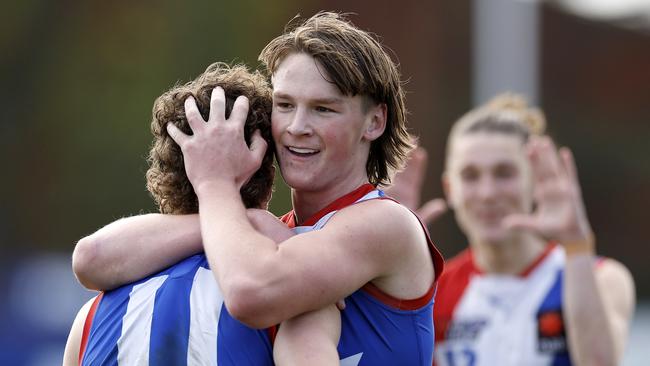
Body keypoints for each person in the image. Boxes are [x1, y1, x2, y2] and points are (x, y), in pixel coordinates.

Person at [71, 12, 444, 365]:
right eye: (284, 104)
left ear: (375, 121)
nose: (297, 126)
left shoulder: (384, 222)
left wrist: (216, 184)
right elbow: (90, 259)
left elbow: (250, 290)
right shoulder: (259, 241)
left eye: (323, 109)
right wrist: (247, 216)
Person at [63, 62, 341, 365]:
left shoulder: (90, 319)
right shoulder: (284, 293)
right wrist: (251, 219)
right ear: (266, 172)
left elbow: (88, 256)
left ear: (165, 174)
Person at [392, 93, 635, 366]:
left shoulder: (600, 277)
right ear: (450, 189)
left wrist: (576, 245)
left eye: (504, 173)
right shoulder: (431, 292)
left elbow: (599, 362)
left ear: (536, 180)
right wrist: (388, 254)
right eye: (470, 176)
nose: (487, 194)